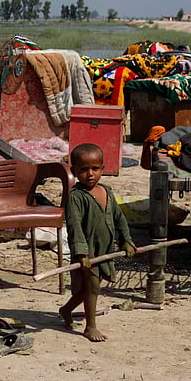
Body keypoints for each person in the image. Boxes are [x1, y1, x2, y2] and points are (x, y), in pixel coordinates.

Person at [60, 143, 137, 342]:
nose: (90, 174)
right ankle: (90, 326)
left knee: (89, 289)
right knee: (93, 288)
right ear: (74, 170)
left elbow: (119, 219)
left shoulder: (107, 192)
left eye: (95, 168)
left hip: (105, 249)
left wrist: (126, 241)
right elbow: (74, 226)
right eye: (84, 169)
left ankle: (66, 310)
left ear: (103, 169)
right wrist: (82, 253)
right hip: (88, 251)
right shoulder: (76, 197)